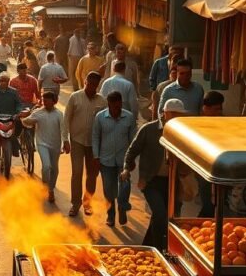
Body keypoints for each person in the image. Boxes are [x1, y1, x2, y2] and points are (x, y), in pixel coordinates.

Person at [123, 98, 187, 250]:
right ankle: (161, 250)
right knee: (160, 213)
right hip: (151, 182)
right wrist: (127, 168)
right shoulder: (149, 130)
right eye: (175, 115)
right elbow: (133, 150)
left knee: (170, 216)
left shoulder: (183, 132)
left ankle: (147, 246)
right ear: (166, 113)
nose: (179, 119)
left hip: (172, 182)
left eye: (180, 115)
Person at [62, 72, 108, 217]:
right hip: (76, 141)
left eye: (95, 85)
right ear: (85, 81)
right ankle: (75, 204)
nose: (92, 87)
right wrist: (65, 139)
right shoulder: (75, 97)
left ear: (98, 85)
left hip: (94, 144)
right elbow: (66, 119)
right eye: (89, 83)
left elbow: (105, 124)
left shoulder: (102, 101)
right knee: (76, 173)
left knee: (92, 174)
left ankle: (87, 202)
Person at [93, 92, 137, 227]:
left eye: (119, 106)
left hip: (124, 160)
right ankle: (110, 215)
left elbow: (133, 140)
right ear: (109, 105)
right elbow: (95, 137)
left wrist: (132, 159)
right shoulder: (100, 117)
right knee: (108, 189)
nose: (117, 110)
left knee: (125, 186)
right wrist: (96, 156)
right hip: (106, 160)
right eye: (114, 107)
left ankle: (122, 207)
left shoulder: (129, 117)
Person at [21, 91, 65, 203]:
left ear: (54, 101)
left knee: (54, 168)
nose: (44, 102)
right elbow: (26, 122)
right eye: (43, 100)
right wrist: (24, 118)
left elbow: (64, 130)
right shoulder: (37, 112)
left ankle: (51, 190)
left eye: (47, 100)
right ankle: (46, 184)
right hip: (42, 143)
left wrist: (66, 142)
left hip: (55, 144)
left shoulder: (59, 114)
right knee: (46, 166)